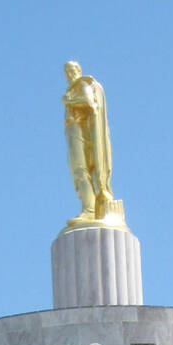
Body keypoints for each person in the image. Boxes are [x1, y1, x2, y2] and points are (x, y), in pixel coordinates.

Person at [62, 61, 116, 226]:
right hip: (73, 133)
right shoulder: (72, 89)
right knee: (77, 172)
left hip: (81, 133)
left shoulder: (82, 84)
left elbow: (89, 102)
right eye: (67, 72)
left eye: (72, 70)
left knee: (81, 170)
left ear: (78, 70)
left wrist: (68, 102)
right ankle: (90, 206)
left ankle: (90, 208)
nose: (69, 74)